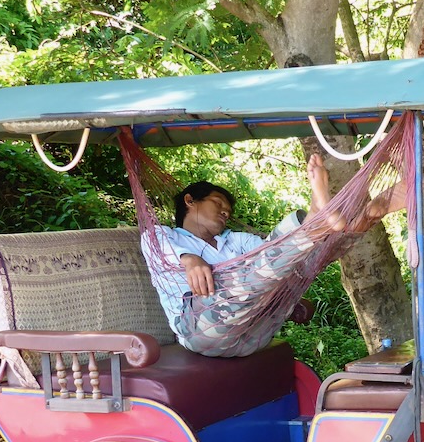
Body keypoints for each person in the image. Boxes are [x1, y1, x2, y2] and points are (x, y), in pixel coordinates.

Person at [142, 153, 405, 358]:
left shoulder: (235, 240)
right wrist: (190, 259)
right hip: (202, 332)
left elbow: (274, 254)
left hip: (255, 333)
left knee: (298, 265)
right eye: (218, 203)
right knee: (250, 273)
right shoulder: (163, 235)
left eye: (228, 210)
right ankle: (317, 220)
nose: (225, 212)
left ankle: (365, 217)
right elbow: (158, 247)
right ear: (190, 201)